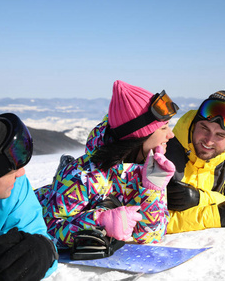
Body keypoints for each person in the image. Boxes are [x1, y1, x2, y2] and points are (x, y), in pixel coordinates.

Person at [35, 80, 178, 250]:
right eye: (164, 128)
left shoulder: (149, 169)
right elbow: (48, 230)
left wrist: (152, 190)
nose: (171, 134)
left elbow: (150, 236)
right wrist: (100, 221)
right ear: (138, 136)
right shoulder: (82, 175)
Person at [0, 111, 58, 280]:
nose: (21, 172)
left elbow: (33, 229)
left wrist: (43, 250)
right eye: (10, 166)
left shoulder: (14, 189)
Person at [165, 84, 225, 233]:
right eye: (204, 128)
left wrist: (200, 198)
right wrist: (214, 216)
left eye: (220, 135)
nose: (208, 141)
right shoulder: (167, 150)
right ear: (194, 124)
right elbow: (150, 220)